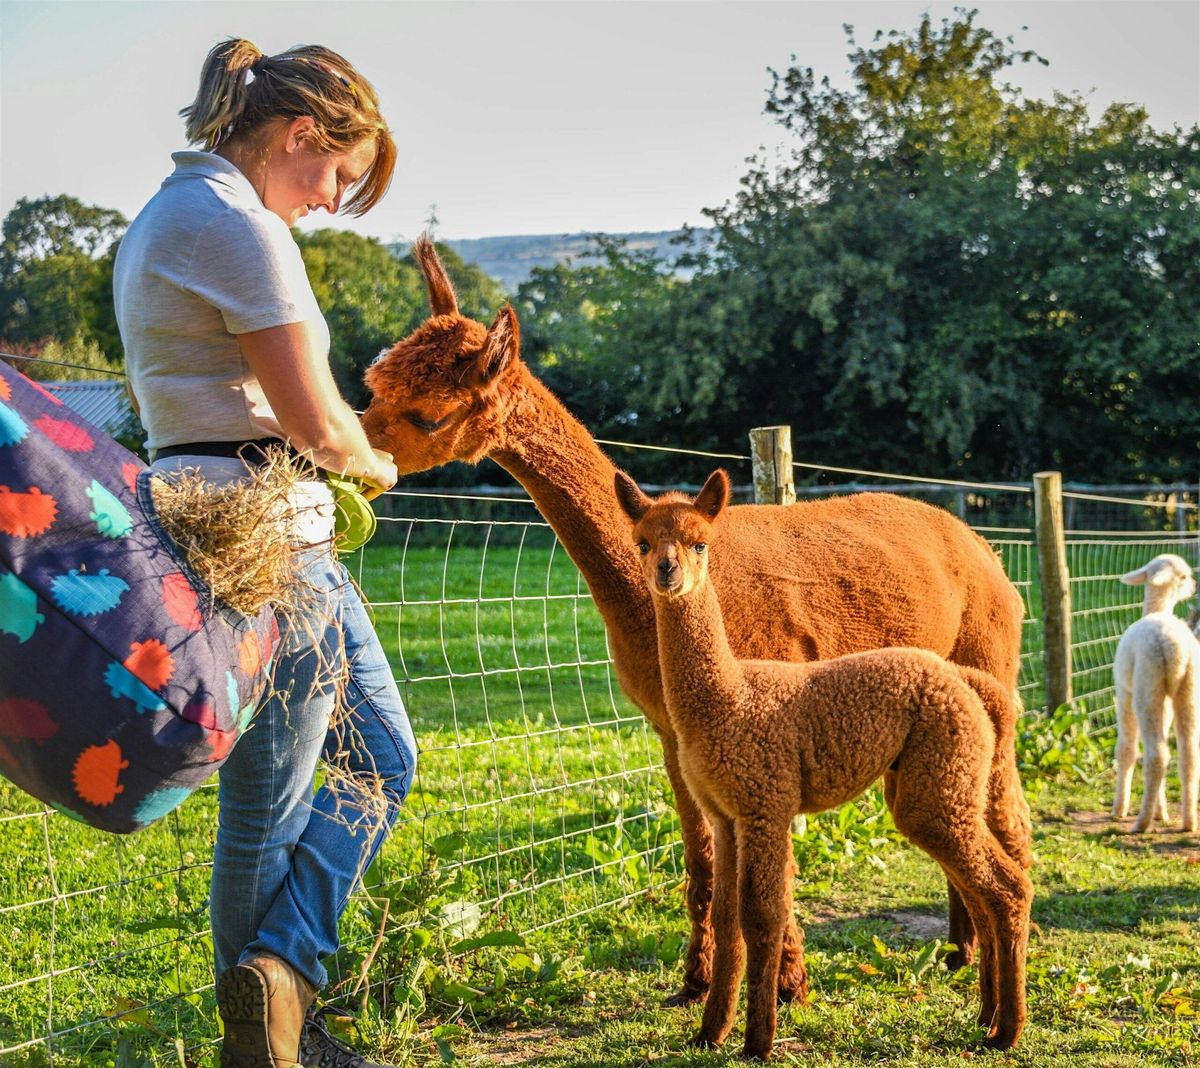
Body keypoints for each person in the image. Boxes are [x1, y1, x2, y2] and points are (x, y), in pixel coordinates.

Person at [113, 38, 417, 1068]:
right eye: (337, 173)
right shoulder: (237, 224)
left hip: (255, 533)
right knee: (270, 807)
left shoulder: (172, 212)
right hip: (267, 544)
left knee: (377, 757)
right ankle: (277, 1038)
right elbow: (318, 422)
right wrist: (372, 459)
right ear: (297, 137)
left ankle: (281, 982)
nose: (330, 200)